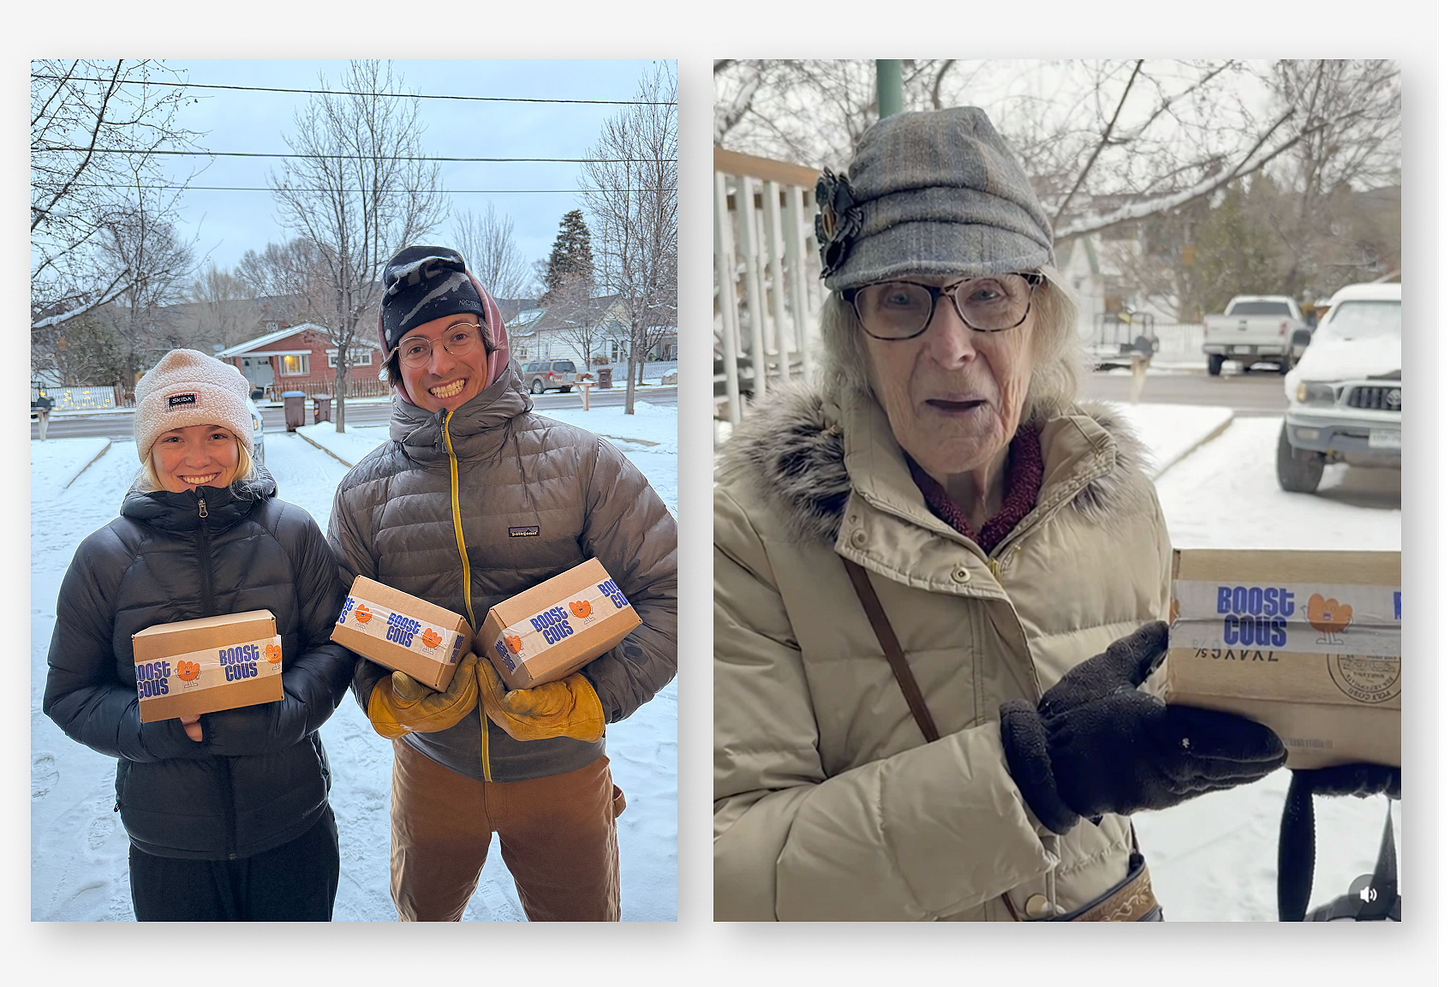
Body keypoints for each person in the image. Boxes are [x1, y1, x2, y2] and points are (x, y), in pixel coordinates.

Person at [713, 106, 1290, 922]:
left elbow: (1172, 709)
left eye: (987, 294)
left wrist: (1327, 734)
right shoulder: (753, 534)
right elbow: (726, 870)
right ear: (854, 332)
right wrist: (1036, 776)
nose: (950, 346)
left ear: (1039, 316)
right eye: (902, 298)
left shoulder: (1117, 500)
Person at [328, 245, 677, 922]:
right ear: (395, 365)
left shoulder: (584, 465)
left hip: (563, 775)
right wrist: (384, 696)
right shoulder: (362, 495)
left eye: (459, 336)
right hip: (432, 775)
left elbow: (670, 589)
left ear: (491, 340)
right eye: (417, 346)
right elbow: (339, 620)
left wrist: (593, 698)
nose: (440, 364)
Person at [43, 349, 354, 921]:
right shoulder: (105, 558)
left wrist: (284, 710)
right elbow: (69, 694)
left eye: (216, 434)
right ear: (149, 449)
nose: (197, 457)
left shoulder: (291, 533)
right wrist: (154, 726)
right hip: (171, 842)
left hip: (291, 821)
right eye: (174, 438)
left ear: (242, 442)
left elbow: (335, 644)